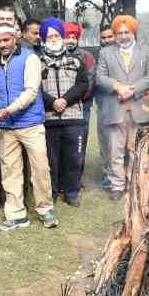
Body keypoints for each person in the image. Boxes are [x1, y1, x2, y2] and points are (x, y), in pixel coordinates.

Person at [0, 26, 57, 231]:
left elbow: (31, 91)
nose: (2, 45)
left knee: (40, 169)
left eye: (6, 40)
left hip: (31, 124)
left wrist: (8, 110)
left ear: (15, 38)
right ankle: (16, 214)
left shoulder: (30, 58)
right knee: (10, 171)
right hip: (6, 127)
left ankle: (45, 210)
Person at [95, 15, 149, 200]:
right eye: (119, 33)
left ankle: (134, 184)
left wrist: (132, 90)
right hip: (115, 108)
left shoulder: (147, 52)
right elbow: (100, 77)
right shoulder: (105, 53)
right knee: (115, 150)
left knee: (136, 150)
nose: (123, 36)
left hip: (140, 108)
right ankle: (117, 185)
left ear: (133, 32)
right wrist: (117, 87)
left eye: (127, 32)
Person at [41, 19, 89, 206]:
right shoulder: (37, 61)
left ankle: (71, 192)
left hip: (73, 117)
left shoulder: (77, 61)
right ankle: (51, 192)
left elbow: (83, 84)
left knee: (74, 158)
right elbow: (33, 88)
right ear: (44, 39)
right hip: (48, 118)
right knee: (50, 159)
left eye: (56, 35)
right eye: (49, 36)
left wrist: (65, 101)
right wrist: (53, 103)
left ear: (62, 37)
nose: (53, 39)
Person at [63, 21, 95, 189]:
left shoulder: (86, 57)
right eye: (66, 36)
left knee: (78, 145)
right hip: (57, 108)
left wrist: (70, 100)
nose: (70, 40)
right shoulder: (54, 54)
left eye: (73, 37)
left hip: (82, 106)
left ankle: (75, 180)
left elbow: (88, 84)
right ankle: (61, 180)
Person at [95, 26, 116, 189]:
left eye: (110, 36)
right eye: (103, 37)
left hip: (124, 104)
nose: (107, 40)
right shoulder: (98, 55)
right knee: (105, 140)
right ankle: (108, 174)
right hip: (103, 104)